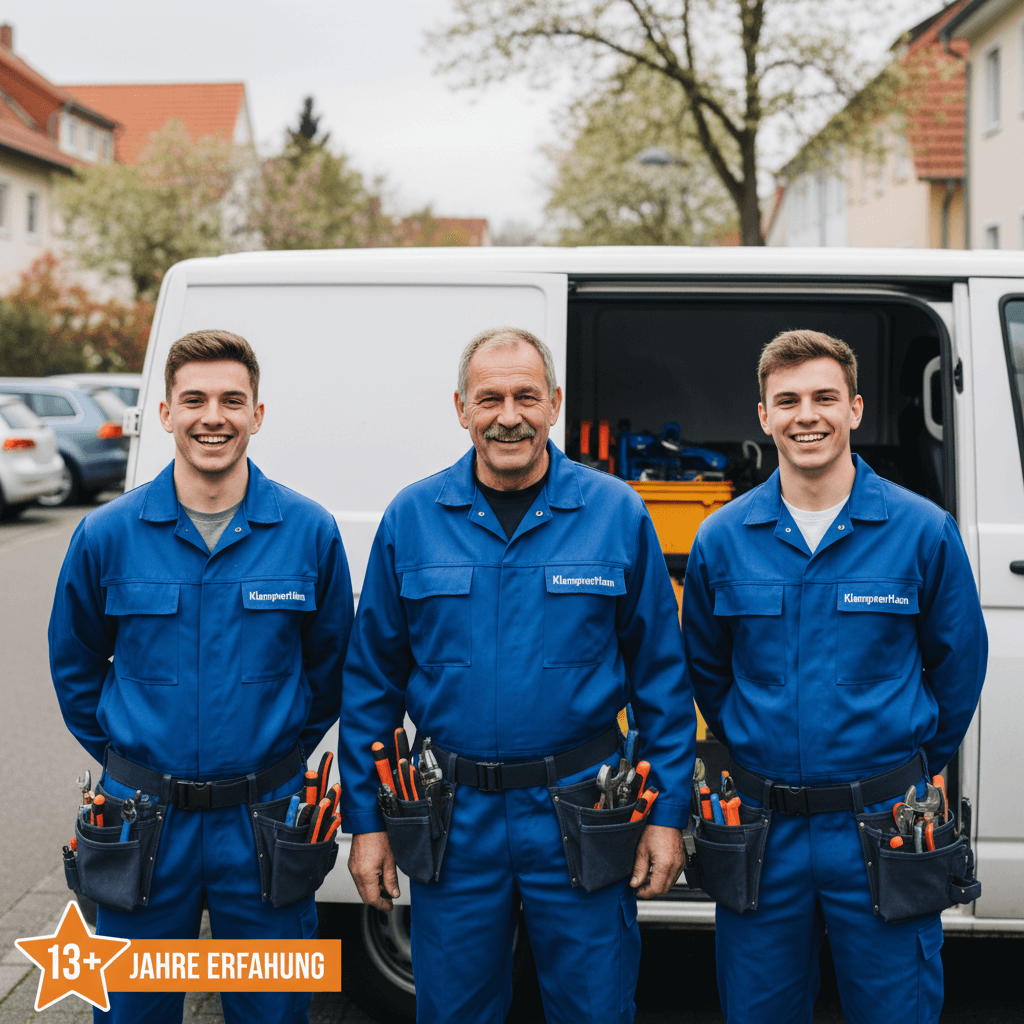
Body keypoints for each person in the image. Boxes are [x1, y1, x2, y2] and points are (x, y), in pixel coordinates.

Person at [339, 326, 695, 1023]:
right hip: (454, 817)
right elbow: (370, 685)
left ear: (554, 403)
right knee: (454, 1011)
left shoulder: (615, 512)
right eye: (490, 397)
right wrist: (368, 825)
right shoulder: (413, 517)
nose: (509, 415)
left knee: (594, 1008)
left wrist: (667, 816)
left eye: (527, 396)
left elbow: (662, 680)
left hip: (584, 809)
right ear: (461, 408)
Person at [683, 330, 987, 1023]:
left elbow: (959, 669)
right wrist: (756, 744)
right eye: (786, 400)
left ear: (854, 408)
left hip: (884, 828)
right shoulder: (722, 538)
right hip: (763, 831)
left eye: (824, 397)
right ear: (763, 416)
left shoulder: (921, 531)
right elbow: (707, 669)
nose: (806, 415)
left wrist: (902, 767)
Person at [49, 330, 353, 1024]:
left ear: (257, 414)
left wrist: (274, 756)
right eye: (194, 400)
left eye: (230, 400)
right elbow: (75, 666)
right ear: (165, 414)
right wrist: (130, 758)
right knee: (131, 1011)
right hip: (142, 823)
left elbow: (330, 665)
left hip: (266, 822)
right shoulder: (107, 534)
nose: (212, 416)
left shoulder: (308, 530)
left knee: (273, 1011)